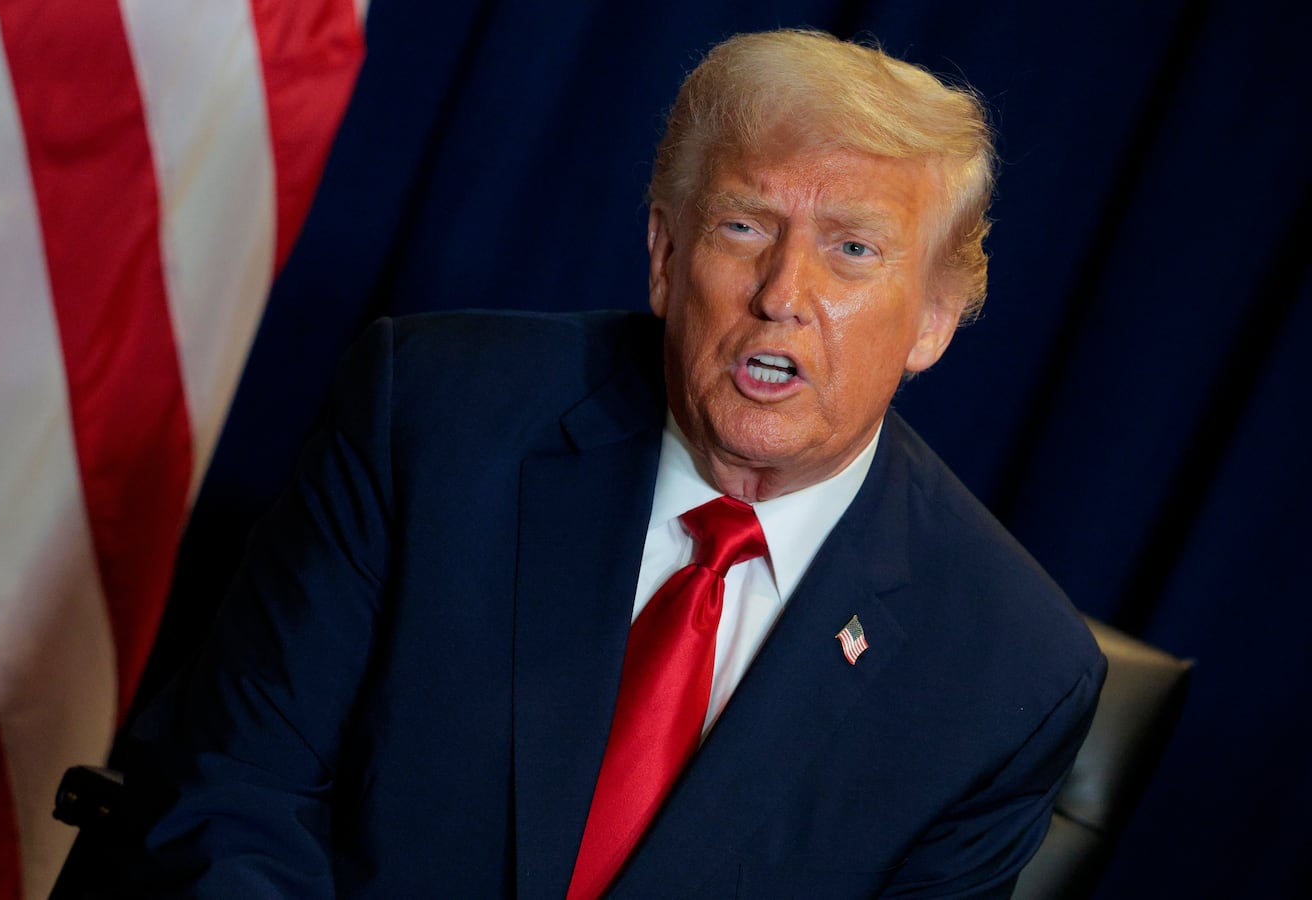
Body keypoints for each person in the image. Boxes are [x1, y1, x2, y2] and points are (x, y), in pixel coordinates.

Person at [118, 28, 1106, 899]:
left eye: (852, 248)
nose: (781, 293)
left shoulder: (1008, 674)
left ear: (934, 317)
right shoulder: (429, 414)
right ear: (665, 256)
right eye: (744, 226)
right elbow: (230, 795)